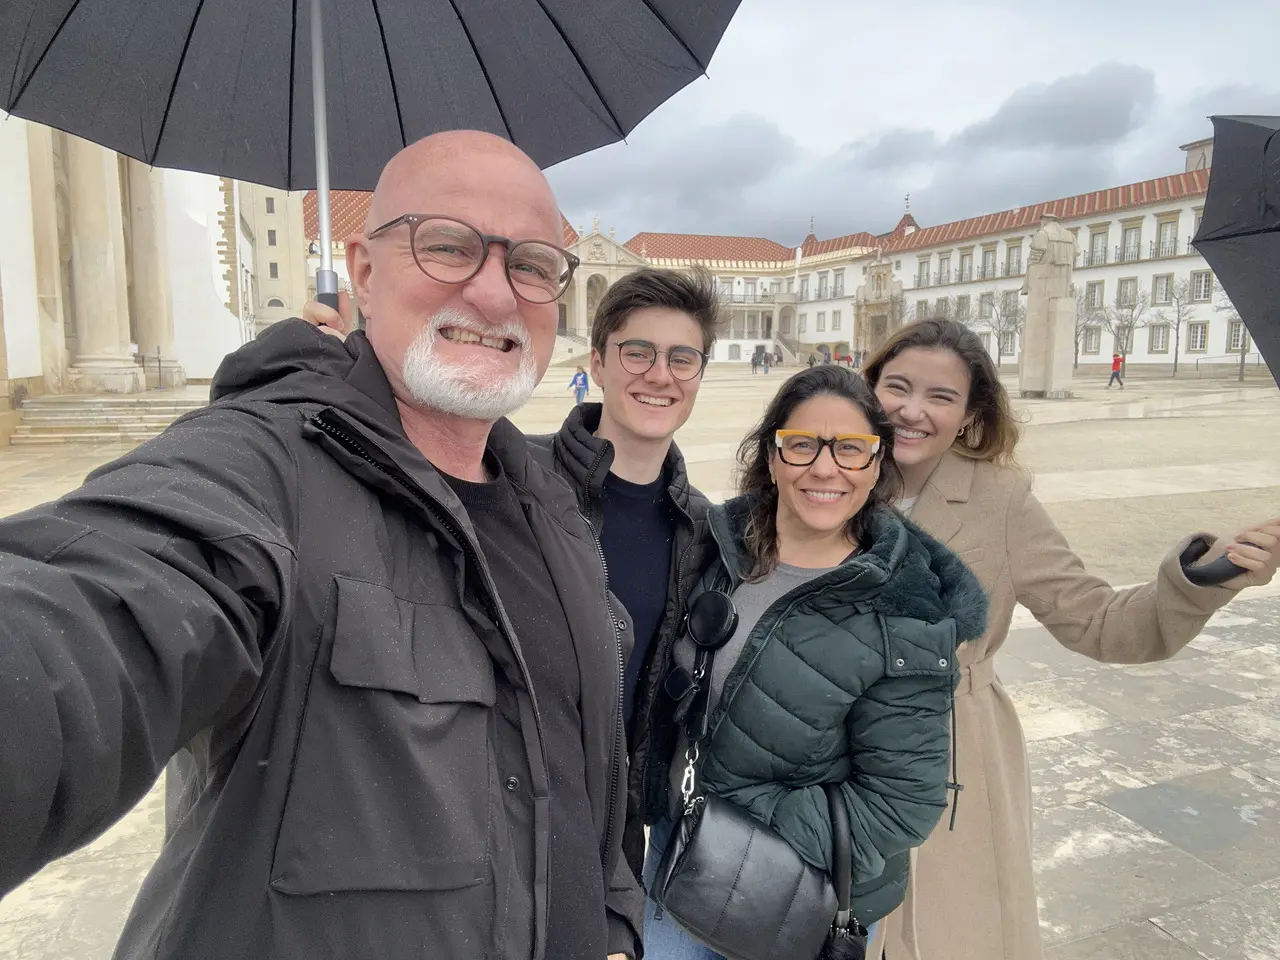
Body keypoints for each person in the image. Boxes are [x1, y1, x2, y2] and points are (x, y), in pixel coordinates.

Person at [0, 131, 642, 960]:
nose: (494, 293)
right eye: (448, 246)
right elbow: (95, 610)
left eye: (531, 264)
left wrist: (613, 923)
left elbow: (585, 766)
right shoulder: (260, 470)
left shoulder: (550, 505)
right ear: (363, 273)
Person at [860, 318, 1280, 960]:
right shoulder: (829, 473)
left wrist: (1199, 576)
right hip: (837, 745)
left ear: (970, 416)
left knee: (948, 932)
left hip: (954, 748)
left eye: (941, 396)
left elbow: (1099, 621)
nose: (912, 411)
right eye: (898, 386)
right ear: (870, 389)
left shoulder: (1001, 500)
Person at [303, 264, 722, 882]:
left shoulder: (703, 528)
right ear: (597, 363)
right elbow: (391, 463)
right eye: (637, 352)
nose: (660, 375)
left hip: (613, 833)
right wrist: (332, 374)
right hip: (495, 806)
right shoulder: (508, 474)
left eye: (682, 359)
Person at [640, 365, 990, 958]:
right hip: (677, 857)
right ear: (772, 457)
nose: (825, 468)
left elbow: (901, 807)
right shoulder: (722, 550)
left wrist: (737, 811)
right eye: (802, 444)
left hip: (791, 895)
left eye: (851, 449)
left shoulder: (903, 612)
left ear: (877, 464)